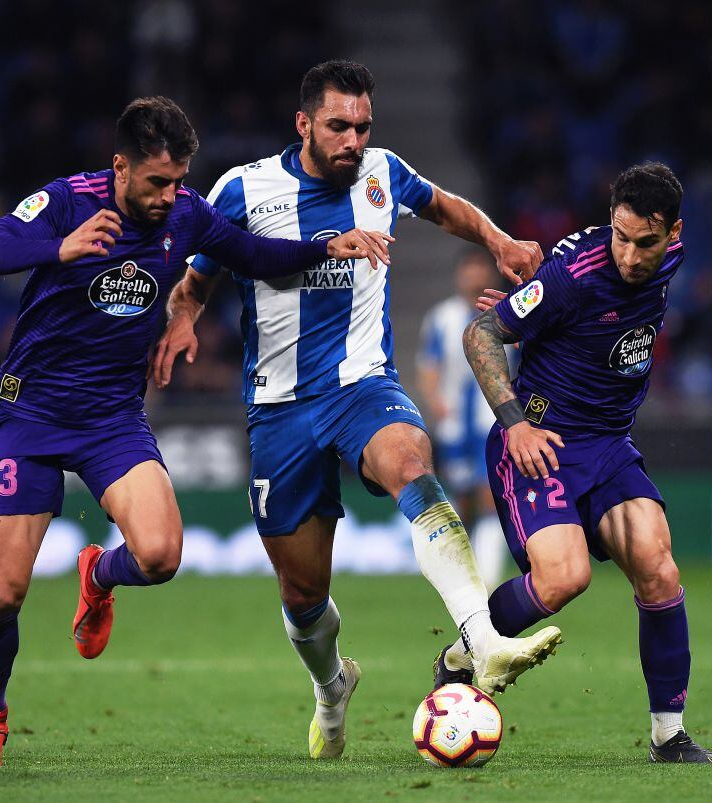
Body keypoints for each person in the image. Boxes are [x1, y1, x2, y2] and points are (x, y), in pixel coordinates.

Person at [0, 95, 391, 768]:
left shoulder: (185, 213)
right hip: (31, 414)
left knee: (160, 554)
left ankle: (99, 573)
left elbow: (248, 252)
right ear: (120, 166)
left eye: (179, 180)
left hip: (111, 418)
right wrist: (58, 246)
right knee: (6, 589)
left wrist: (322, 246)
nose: (170, 195)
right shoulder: (68, 202)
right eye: (157, 181)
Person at [154, 60, 560, 761]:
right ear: (304, 124)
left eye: (363, 125)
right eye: (338, 126)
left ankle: (482, 637)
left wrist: (497, 240)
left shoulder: (382, 172)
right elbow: (198, 277)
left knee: (410, 457)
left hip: (361, 383)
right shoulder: (245, 188)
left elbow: (443, 206)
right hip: (278, 407)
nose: (353, 139)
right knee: (304, 592)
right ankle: (331, 687)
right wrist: (184, 317)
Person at [444, 162, 712, 764]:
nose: (629, 255)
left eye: (645, 243)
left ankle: (668, 736)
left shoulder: (668, 259)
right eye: (619, 236)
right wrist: (515, 423)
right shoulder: (577, 274)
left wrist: (532, 313)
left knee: (660, 570)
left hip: (607, 444)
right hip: (539, 443)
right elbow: (479, 335)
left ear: (673, 234)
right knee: (564, 578)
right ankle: (463, 654)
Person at [417, 251, 511, 590]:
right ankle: (460, 576)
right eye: (469, 272)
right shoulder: (441, 318)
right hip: (456, 425)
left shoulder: (507, 313)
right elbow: (429, 366)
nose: (474, 278)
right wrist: (436, 403)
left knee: (490, 496)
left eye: (480, 272)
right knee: (461, 501)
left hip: (493, 421)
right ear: (460, 276)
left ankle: (486, 579)